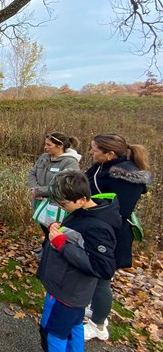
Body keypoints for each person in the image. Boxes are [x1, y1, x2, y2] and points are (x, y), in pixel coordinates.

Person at [37, 170, 119, 352]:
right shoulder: (83, 211)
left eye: (63, 203)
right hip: (65, 288)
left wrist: (62, 244)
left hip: (69, 291)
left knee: (54, 334)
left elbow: (102, 267)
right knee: (74, 327)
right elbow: (78, 239)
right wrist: (59, 229)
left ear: (81, 199)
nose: (60, 206)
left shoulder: (98, 226)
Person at [84, 134, 151, 342]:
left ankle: (99, 325)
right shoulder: (100, 166)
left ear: (110, 153)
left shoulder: (126, 177)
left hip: (111, 235)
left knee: (102, 280)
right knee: (92, 275)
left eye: (94, 149)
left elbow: (119, 211)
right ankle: (93, 308)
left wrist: (87, 207)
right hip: (92, 228)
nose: (91, 152)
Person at [28, 132, 81, 243]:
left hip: (56, 204)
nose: (45, 147)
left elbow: (64, 184)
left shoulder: (70, 162)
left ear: (60, 146)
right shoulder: (44, 157)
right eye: (45, 144)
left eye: (49, 145)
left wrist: (39, 191)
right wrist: (34, 190)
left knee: (55, 229)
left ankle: (53, 250)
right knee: (44, 226)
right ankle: (46, 247)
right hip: (39, 200)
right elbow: (32, 173)